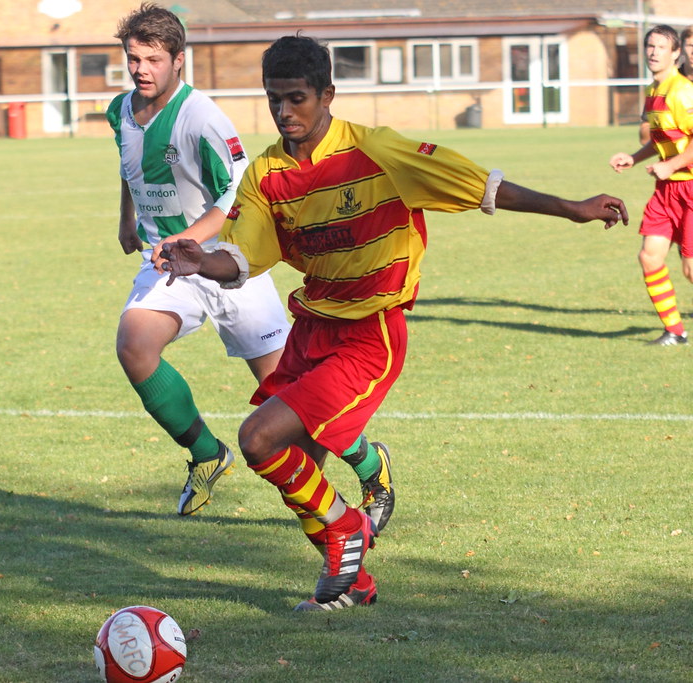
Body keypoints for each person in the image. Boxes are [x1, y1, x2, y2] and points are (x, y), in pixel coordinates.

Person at [162, 35, 628, 611]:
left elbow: (482, 186)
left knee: (259, 440)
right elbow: (243, 254)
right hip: (311, 331)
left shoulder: (377, 151)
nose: (285, 112)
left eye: (297, 98)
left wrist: (573, 208)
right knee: (299, 472)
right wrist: (201, 259)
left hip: (368, 335)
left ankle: (349, 529)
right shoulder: (266, 173)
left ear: (328, 94)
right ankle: (354, 580)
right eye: (273, 99)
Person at [106, 3, 295, 516]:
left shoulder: (203, 118)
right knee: (134, 345)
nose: (141, 68)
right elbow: (129, 165)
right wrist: (128, 218)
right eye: (133, 57)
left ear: (178, 60)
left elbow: (235, 197)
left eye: (152, 59)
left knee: (289, 395)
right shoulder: (120, 110)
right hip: (171, 264)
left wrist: (186, 241)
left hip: (227, 260)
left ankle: (369, 467)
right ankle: (206, 454)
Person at [611, 25, 693, 346]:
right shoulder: (652, 90)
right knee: (650, 257)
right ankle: (675, 331)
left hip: (689, 187)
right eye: (649, 46)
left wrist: (670, 165)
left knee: (690, 269)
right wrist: (634, 157)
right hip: (666, 191)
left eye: (661, 47)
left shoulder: (682, 91)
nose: (653, 52)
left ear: (676, 54)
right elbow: (661, 140)